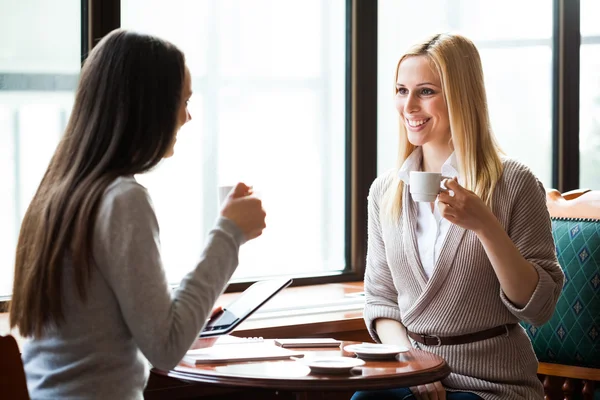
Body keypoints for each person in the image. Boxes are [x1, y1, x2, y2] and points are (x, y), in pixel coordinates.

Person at [9, 29, 266, 400]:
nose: (188, 117)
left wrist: (180, 306)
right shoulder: (123, 199)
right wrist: (229, 234)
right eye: (182, 101)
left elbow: (99, 319)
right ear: (148, 107)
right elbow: (166, 347)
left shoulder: (56, 196)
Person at [352, 33, 564, 400]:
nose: (409, 106)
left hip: (493, 384)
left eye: (426, 91)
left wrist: (485, 225)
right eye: (402, 90)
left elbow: (539, 307)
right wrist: (413, 363)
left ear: (460, 96)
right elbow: (381, 300)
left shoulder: (515, 183)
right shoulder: (385, 192)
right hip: (410, 372)